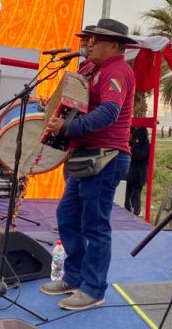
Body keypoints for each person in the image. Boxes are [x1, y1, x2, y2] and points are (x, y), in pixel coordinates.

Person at [40, 18, 136, 311]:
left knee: (95, 225)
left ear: (115, 46)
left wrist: (67, 129)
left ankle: (93, 290)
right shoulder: (90, 69)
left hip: (106, 157)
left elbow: (108, 112)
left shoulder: (117, 70)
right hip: (87, 155)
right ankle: (75, 277)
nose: (89, 43)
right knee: (67, 216)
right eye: (88, 38)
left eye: (96, 39)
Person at [124, 125, 150, 216]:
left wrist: (133, 150)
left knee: (136, 196)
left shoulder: (147, 146)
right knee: (126, 196)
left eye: (137, 137)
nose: (136, 139)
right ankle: (128, 212)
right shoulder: (136, 144)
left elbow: (141, 156)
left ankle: (136, 214)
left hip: (139, 174)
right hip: (131, 173)